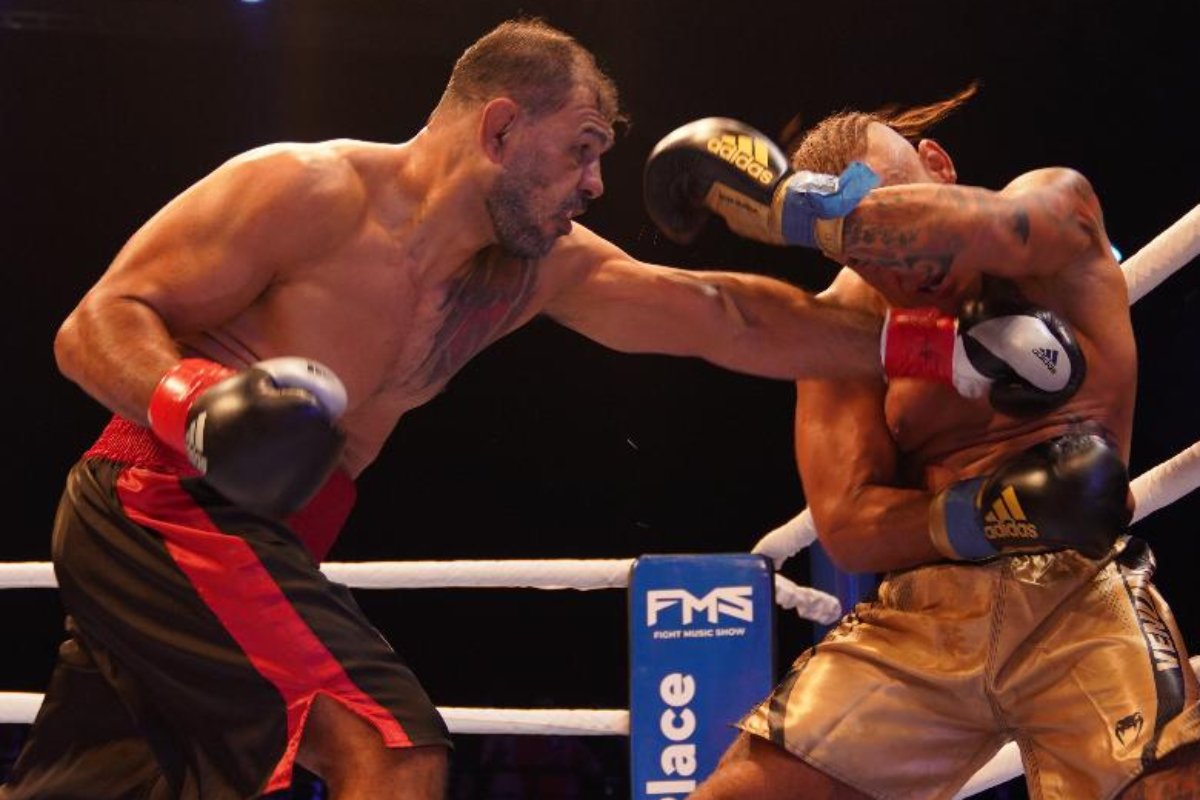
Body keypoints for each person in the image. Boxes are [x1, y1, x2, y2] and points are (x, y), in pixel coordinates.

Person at [2, 19, 1079, 800]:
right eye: (583, 148)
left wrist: (943, 349)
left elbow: (725, 317)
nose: (597, 184)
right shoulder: (306, 190)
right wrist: (202, 405)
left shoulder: (531, 273)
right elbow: (96, 323)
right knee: (392, 745)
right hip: (164, 498)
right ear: (502, 127)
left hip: (271, 536)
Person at [645, 87, 1200, 798]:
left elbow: (1006, 227)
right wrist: (988, 511)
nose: (896, 263)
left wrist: (808, 212)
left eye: (889, 208)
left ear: (938, 165)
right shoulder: (845, 325)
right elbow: (847, 524)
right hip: (923, 615)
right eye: (856, 246)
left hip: (1082, 592)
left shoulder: (1053, 214)